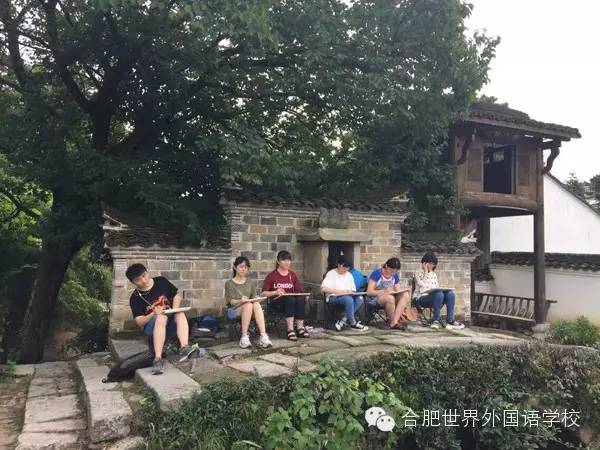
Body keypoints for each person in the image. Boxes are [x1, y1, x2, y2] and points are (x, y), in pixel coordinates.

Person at [126, 263, 195, 375]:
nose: (143, 280)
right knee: (161, 317)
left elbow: (176, 295)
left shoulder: (161, 281)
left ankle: (184, 347)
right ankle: (158, 359)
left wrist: (174, 309)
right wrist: (153, 313)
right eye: (138, 280)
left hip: (169, 321)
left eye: (144, 276)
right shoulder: (135, 298)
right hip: (151, 327)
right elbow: (139, 322)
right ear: (133, 282)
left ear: (147, 273)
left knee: (180, 313)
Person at [224, 256, 272, 349]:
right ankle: (244, 336)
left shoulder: (250, 282)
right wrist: (241, 300)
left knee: (255, 304)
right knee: (248, 305)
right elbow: (231, 302)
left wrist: (257, 299)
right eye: (241, 267)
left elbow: (253, 298)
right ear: (235, 267)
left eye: (246, 267)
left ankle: (263, 336)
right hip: (233, 310)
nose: (243, 269)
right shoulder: (229, 283)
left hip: (248, 309)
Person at [262, 250, 309, 341]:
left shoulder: (292, 275)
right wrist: (275, 292)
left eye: (289, 260)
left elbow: (299, 291)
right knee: (289, 299)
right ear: (278, 261)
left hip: (292, 302)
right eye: (284, 260)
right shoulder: (272, 276)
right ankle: (290, 329)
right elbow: (263, 293)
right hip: (277, 303)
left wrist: (305, 295)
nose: (287, 262)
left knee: (300, 299)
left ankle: (300, 327)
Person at [413, 251, 465, 330]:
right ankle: (435, 320)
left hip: (435, 297)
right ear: (424, 263)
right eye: (430, 263)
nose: (432, 266)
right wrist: (426, 271)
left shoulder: (433, 274)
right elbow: (422, 286)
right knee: (439, 294)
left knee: (450, 294)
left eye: (433, 264)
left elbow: (435, 287)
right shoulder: (418, 273)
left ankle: (450, 320)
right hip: (421, 298)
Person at [321, 256, 368, 331]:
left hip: (347, 296)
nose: (345, 270)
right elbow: (323, 289)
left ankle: (342, 321)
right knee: (348, 299)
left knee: (360, 298)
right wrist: (338, 291)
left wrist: (350, 292)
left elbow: (353, 290)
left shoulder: (349, 275)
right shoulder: (331, 274)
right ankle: (353, 323)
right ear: (339, 265)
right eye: (344, 268)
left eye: (347, 269)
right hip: (333, 297)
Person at [366, 257, 411, 330]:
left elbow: (397, 287)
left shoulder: (394, 275)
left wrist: (401, 289)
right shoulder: (377, 274)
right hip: (375, 298)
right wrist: (384, 291)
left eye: (395, 271)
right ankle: (393, 322)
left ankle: (394, 321)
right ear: (386, 266)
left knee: (405, 295)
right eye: (392, 270)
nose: (393, 273)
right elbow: (369, 292)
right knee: (390, 298)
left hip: (391, 296)